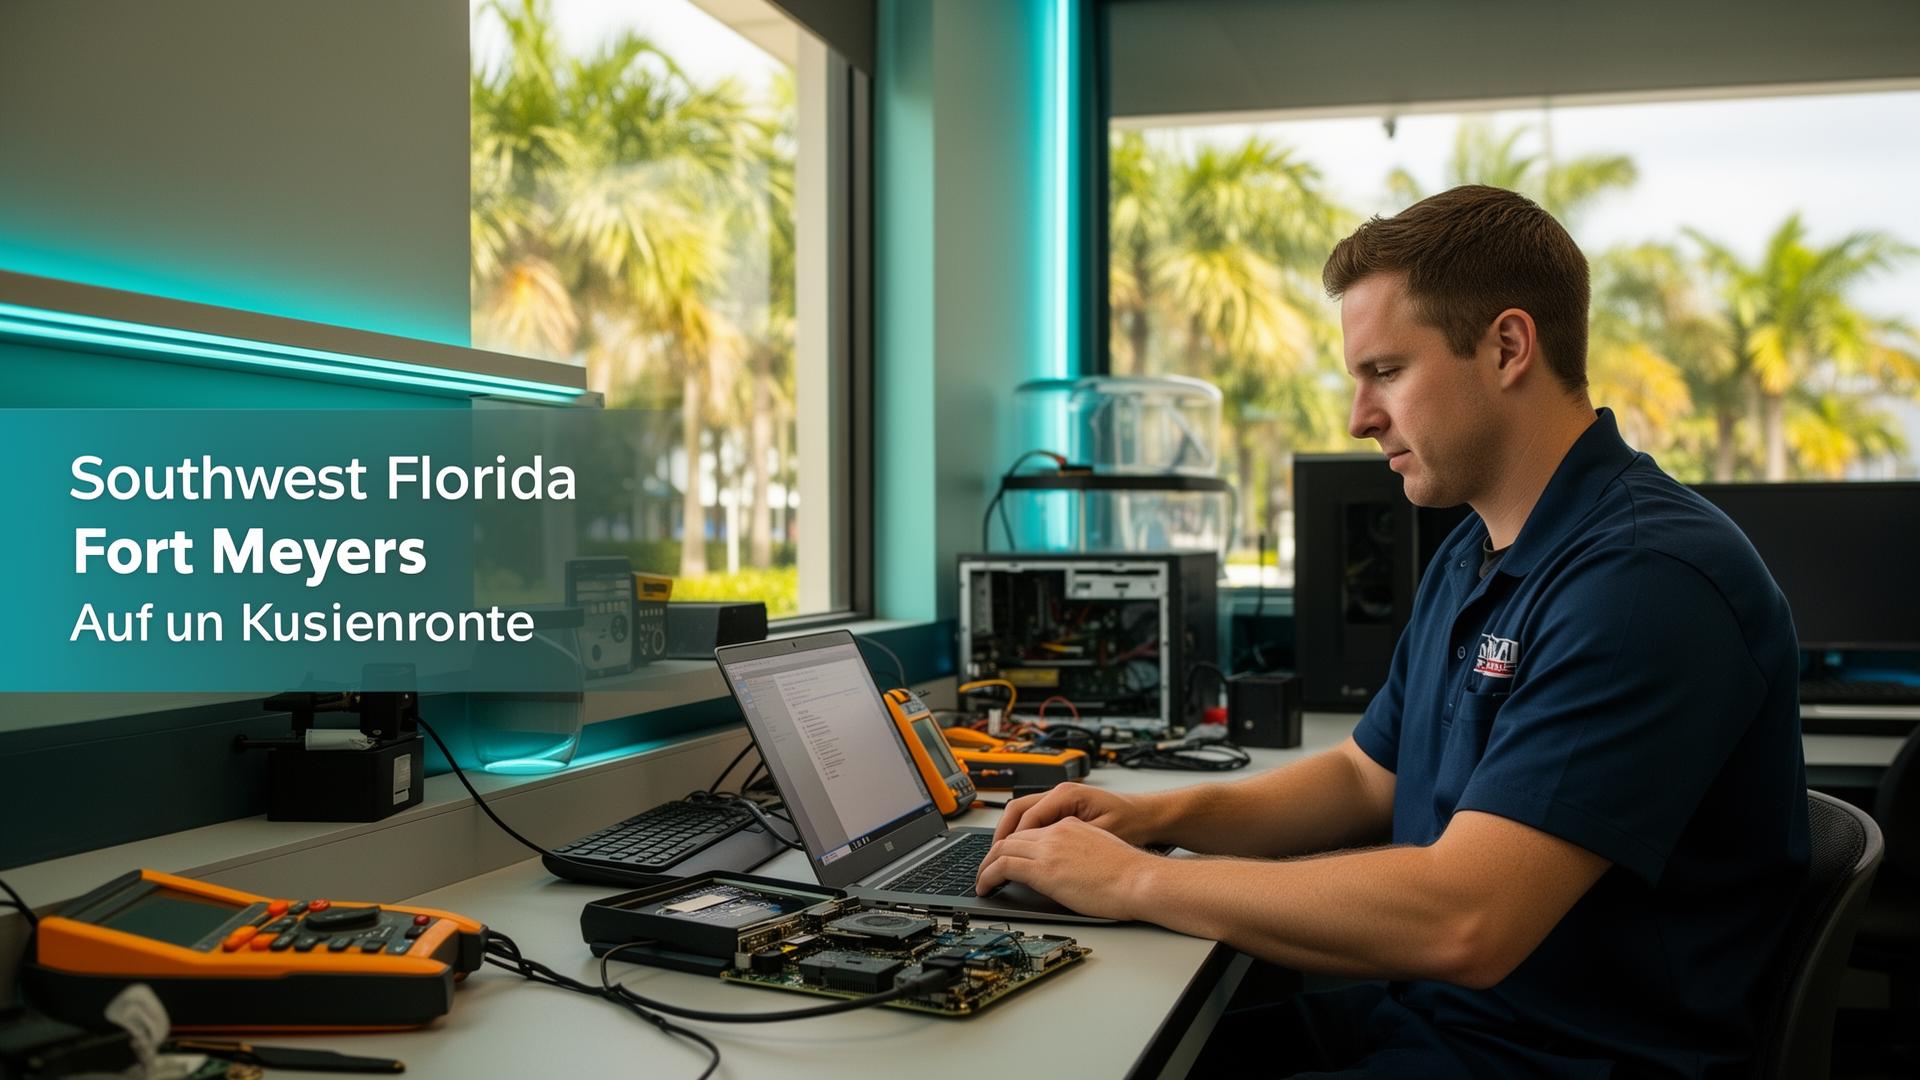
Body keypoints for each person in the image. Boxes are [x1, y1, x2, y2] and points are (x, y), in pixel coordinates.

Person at [975, 185, 1810, 1078]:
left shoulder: (1645, 580)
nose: (1359, 418)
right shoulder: (1473, 552)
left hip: (1557, 1059)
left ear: (1508, 347)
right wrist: (1153, 819)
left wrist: (1136, 879)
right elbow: (1367, 773)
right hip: (1436, 1021)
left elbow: (1466, 919)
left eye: (1387, 371)